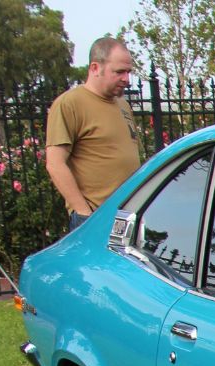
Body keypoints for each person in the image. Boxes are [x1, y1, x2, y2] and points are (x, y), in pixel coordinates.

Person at [45, 37, 142, 232]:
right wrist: (84, 214)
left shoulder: (123, 105)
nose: (126, 79)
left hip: (128, 217)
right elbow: (55, 164)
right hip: (96, 220)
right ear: (95, 68)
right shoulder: (69, 104)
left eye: (128, 72)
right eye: (119, 72)